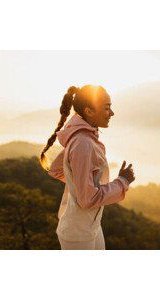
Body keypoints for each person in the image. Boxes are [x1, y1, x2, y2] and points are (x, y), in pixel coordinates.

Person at [39, 85, 135, 250]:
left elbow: (56, 169)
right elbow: (87, 199)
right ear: (89, 111)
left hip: (90, 225)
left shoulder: (80, 138)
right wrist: (122, 181)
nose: (112, 113)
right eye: (107, 108)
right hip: (78, 233)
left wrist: (82, 184)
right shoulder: (83, 142)